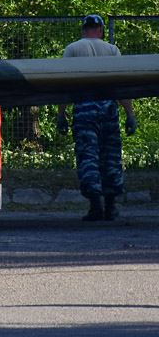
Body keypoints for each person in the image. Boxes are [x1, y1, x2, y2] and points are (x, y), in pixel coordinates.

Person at [56, 14, 137, 221]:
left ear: (84, 30)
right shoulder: (112, 50)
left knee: (88, 155)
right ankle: (111, 206)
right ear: (100, 29)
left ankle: (95, 205)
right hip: (108, 107)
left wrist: (61, 115)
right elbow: (121, 85)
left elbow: (64, 84)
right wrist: (130, 115)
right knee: (111, 156)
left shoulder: (73, 49)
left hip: (84, 107)